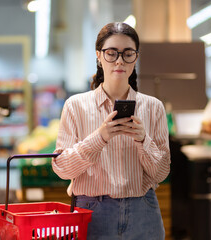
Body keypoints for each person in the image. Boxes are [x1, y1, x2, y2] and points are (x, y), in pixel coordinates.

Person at [52, 22, 170, 239]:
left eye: (127, 53)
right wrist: (100, 137)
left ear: (136, 57)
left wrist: (144, 139)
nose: (119, 60)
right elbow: (62, 169)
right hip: (92, 210)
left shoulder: (153, 107)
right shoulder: (75, 105)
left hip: (142, 210)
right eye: (111, 53)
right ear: (98, 56)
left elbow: (161, 173)